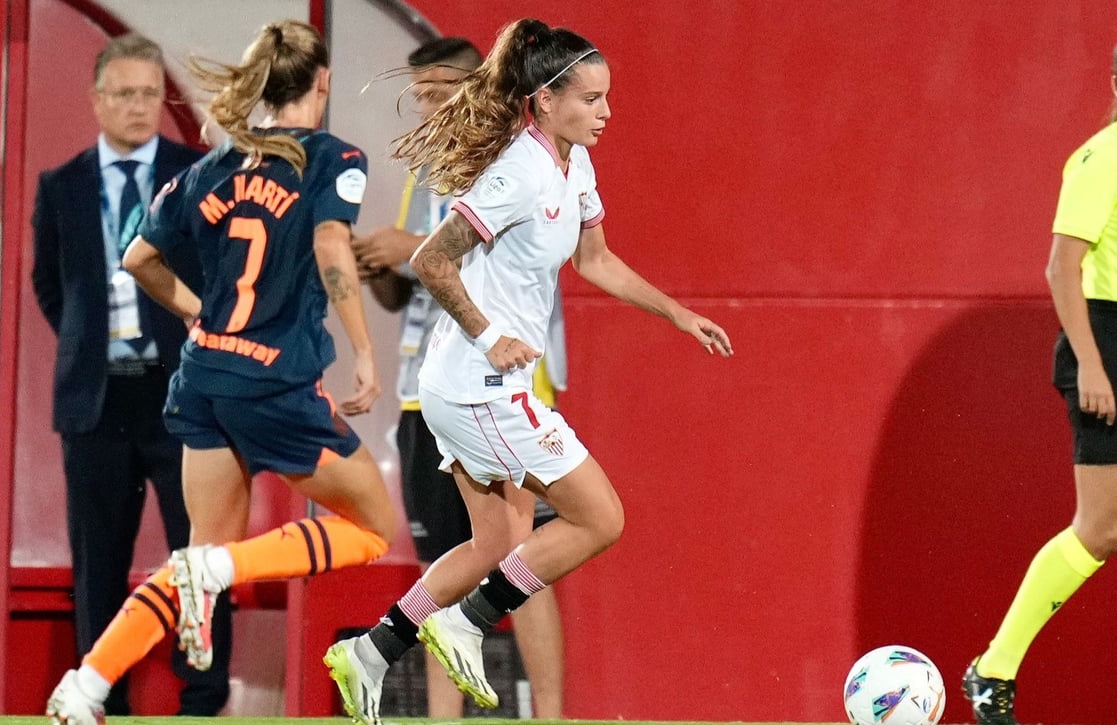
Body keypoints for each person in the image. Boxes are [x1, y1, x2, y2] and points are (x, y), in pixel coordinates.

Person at [324, 18, 732, 725]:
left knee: (490, 543)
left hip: (473, 386)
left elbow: (595, 259)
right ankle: (467, 622)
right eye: (591, 99)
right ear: (544, 100)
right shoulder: (518, 171)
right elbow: (430, 259)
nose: (606, 113)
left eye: (607, 98)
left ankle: (371, 649)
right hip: (478, 385)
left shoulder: (574, 163)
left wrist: (676, 313)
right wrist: (490, 336)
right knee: (601, 516)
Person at [44, 20, 397, 724]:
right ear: (321, 85)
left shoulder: (208, 171)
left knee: (197, 554)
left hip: (201, 378)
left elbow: (139, 259)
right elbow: (331, 241)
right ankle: (223, 570)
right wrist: (362, 347)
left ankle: (83, 686)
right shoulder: (333, 156)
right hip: (275, 380)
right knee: (372, 526)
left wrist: (198, 311)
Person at [963, 19, 1117, 725]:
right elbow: (1061, 266)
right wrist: (1094, 365)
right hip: (1111, 338)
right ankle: (994, 668)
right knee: (1104, 530)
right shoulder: (1099, 159)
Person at [354, 35, 566, 719]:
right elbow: (414, 290)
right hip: (429, 387)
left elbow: (495, 260)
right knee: (453, 558)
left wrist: (409, 253)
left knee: (524, 556)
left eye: (443, 90)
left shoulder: (515, 155)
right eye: (421, 94)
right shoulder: (431, 168)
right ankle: (443, 717)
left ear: (480, 84)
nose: (431, 104)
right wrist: (384, 268)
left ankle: (552, 712)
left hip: (503, 383)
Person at [30, 32, 230, 717]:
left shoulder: (200, 170)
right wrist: (95, 346)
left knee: (197, 553)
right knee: (98, 562)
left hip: (182, 390)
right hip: (96, 396)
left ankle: (203, 696)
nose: (140, 106)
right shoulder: (62, 185)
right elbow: (52, 288)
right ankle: (98, 695)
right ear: (97, 101)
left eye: (151, 92)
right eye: (126, 93)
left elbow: (220, 275)